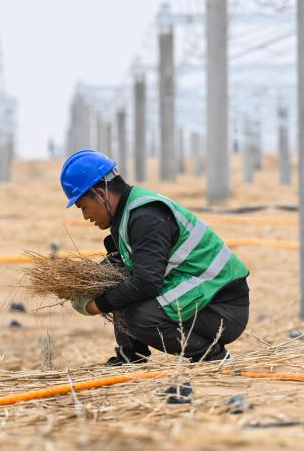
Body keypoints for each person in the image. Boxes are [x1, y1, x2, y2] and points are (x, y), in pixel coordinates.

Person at [60, 149, 250, 365]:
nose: (85, 216)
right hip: (203, 295)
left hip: (223, 305)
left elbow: (146, 282)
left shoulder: (145, 216)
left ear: (101, 194)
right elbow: (124, 274)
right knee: (118, 281)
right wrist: (82, 283)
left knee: (139, 317)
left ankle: (212, 357)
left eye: (83, 207)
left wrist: (97, 305)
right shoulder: (125, 216)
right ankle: (131, 357)